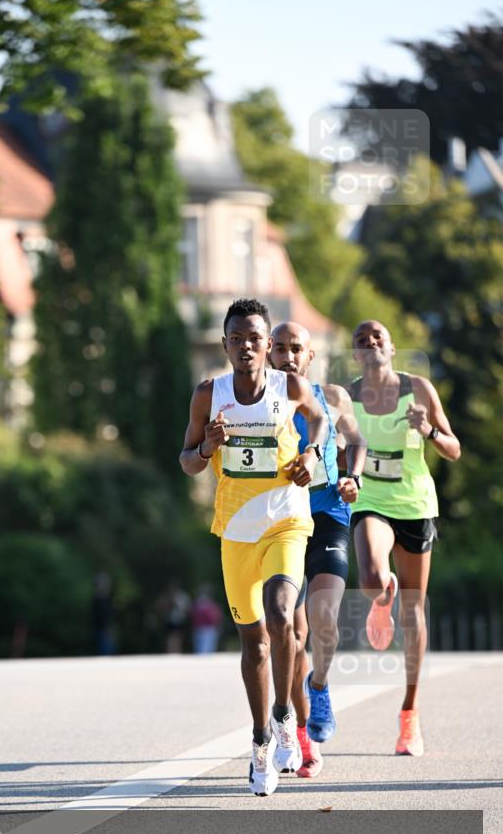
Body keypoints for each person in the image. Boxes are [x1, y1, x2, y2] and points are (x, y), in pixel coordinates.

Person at [179, 298, 328, 796]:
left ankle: (285, 715)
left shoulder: (290, 387)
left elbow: (320, 420)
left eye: (255, 339)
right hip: (236, 531)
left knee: (283, 615)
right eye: (237, 339)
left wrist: (312, 452)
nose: (246, 346)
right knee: (254, 643)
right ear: (225, 345)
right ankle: (261, 739)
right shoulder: (209, 394)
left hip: (287, 520)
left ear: (268, 345)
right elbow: (187, 461)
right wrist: (207, 447)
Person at [348, 320, 461, 756]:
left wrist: (429, 430)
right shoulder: (348, 398)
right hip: (370, 501)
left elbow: (454, 449)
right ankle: (381, 598)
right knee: (370, 578)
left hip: (414, 505)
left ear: (391, 347)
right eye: (362, 340)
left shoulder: (419, 390)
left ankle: (410, 713)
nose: (370, 343)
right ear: (355, 355)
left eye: (377, 337)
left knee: (414, 611)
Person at [270, 322, 367, 777]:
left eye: (297, 349)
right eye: (280, 348)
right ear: (269, 354)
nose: (288, 356)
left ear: (310, 356)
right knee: (291, 633)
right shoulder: (258, 402)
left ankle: (321, 685)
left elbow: (357, 441)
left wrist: (354, 477)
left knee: (324, 619)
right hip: (280, 520)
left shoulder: (333, 397)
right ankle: (302, 734)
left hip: (328, 512)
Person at [191, 586, 223, 655]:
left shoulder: (198, 605)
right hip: (206, 629)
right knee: (206, 650)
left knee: (203, 650)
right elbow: (216, 617)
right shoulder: (211, 605)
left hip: (204, 629)